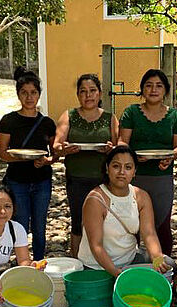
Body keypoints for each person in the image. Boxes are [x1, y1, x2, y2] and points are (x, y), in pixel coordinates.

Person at [118, 69, 177, 255]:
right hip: (135, 177)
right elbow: (122, 142)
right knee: (133, 224)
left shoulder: (174, 116)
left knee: (162, 224)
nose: (153, 89)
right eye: (148, 85)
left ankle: (164, 268)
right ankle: (133, 266)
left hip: (162, 177)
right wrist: (131, 154)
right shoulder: (131, 112)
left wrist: (170, 157)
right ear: (142, 89)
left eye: (159, 86)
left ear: (166, 90)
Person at [78, 146, 172, 277]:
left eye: (128, 167)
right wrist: (117, 274)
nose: (122, 172)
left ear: (134, 172)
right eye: (116, 166)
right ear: (107, 168)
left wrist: (157, 259)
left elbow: (149, 233)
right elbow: (96, 245)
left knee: (169, 264)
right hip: (97, 267)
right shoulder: (95, 199)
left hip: (130, 261)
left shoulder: (141, 196)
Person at [53, 73, 118, 257]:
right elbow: (57, 145)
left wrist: (110, 149)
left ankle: (103, 260)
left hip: (104, 180)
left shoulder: (110, 118)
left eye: (92, 91)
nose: (88, 95)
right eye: (83, 91)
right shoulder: (69, 115)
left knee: (105, 222)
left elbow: (118, 148)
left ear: (99, 94)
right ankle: (77, 262)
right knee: (78, 222)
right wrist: (64, 149)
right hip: (77, 179)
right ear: (77, 95)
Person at [0, 67, 57, 261]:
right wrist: (23, 158)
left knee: (40, 226)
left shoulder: (47, 123)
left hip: (42, 182)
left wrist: (46, 161)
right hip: (17, 181)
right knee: (20, 224)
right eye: (24, 92)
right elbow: (3, 154)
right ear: (18, 95)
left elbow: (54, 155)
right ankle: (22, 263)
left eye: (33, 92)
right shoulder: (8, 121)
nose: (29, 97)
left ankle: (39, 262)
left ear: (39, 94)